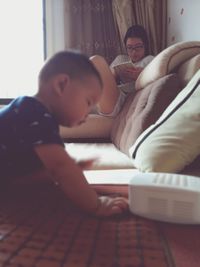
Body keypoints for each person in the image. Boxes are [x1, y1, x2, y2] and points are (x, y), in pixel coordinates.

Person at [0, 50, 128, 217]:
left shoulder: (37, 115)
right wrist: (96, 205)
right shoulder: (32, 110)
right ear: (61, 85)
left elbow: (36, 171)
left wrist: (71, 169)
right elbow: (59, 167)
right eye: (88, 102)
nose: (88, 114)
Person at [90, 25, 154, 116]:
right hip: (107, 96)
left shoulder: (150, 60)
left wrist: (141, 76)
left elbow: (154, 80)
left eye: (138, 47)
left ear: (145, 45)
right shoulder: (120, 59)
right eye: (130, 47)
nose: (134, 52)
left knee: (95, 60)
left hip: (121, 100)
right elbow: (105, 81)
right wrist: (116, 73)